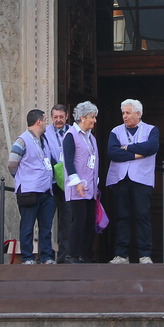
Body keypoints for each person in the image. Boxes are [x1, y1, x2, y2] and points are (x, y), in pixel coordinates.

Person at [106, 98, 160, 264]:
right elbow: (113, 152)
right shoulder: (116, 131)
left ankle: (145, 254)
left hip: (142, 180)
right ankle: (122, 255)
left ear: (138, 113)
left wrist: (127, 148)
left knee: (142, 216)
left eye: (128, 113)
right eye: (123, 113)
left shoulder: (151, 130)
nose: (125, 116)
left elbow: (151, 148)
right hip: (120, 179)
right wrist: (137, 153)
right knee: (122, 217)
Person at [8, 109, 56, 264]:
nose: (46, 124)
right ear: (39, 122)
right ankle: (27, 257)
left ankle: (46, 256)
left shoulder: (44, 140)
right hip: (29, 190)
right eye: (45, 120)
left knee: (46, 227)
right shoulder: (22, 140)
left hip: (46, 189)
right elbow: (12, 164)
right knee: (27, 226)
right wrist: (22, 178)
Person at [63, 100, 99, 264]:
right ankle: (73, 254)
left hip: (90, 188)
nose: (94, 120)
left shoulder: (91, 138)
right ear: (83, 117)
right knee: (79, 220)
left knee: (89, 221)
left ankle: (86, 254)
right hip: (77, 187)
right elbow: (68, 162)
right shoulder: (70, 135)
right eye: (92, 117)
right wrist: (76, 182)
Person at [45, 104, 72, 258]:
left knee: (67, 220)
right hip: (52, 183)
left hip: (69, 182)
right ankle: (46, 256)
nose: (58, 120)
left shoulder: (73, 131)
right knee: (47, 219)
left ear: (67, 116)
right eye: (55, 117)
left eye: (61, 117)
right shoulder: (45, 132)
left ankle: (65, 256)